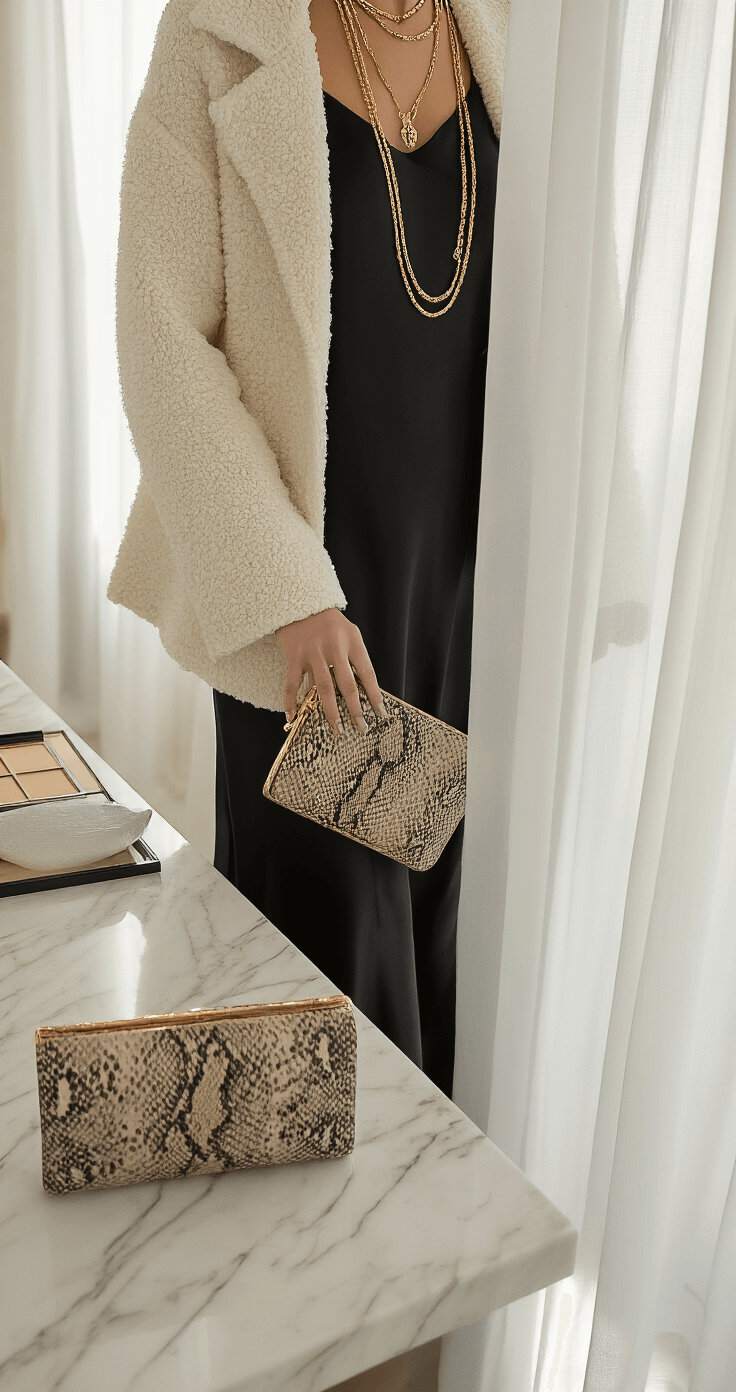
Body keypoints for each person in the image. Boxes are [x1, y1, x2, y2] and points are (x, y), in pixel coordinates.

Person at [109, 0, 508, 1097]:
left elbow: (576, 286)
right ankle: (338, 1269)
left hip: (478, 597)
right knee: (331, 1011)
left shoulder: (502, 26)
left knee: (459, 964)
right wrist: (288, 592)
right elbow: (160, 333)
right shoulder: (220, 26)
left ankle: (453, 1256)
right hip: (314, 623)